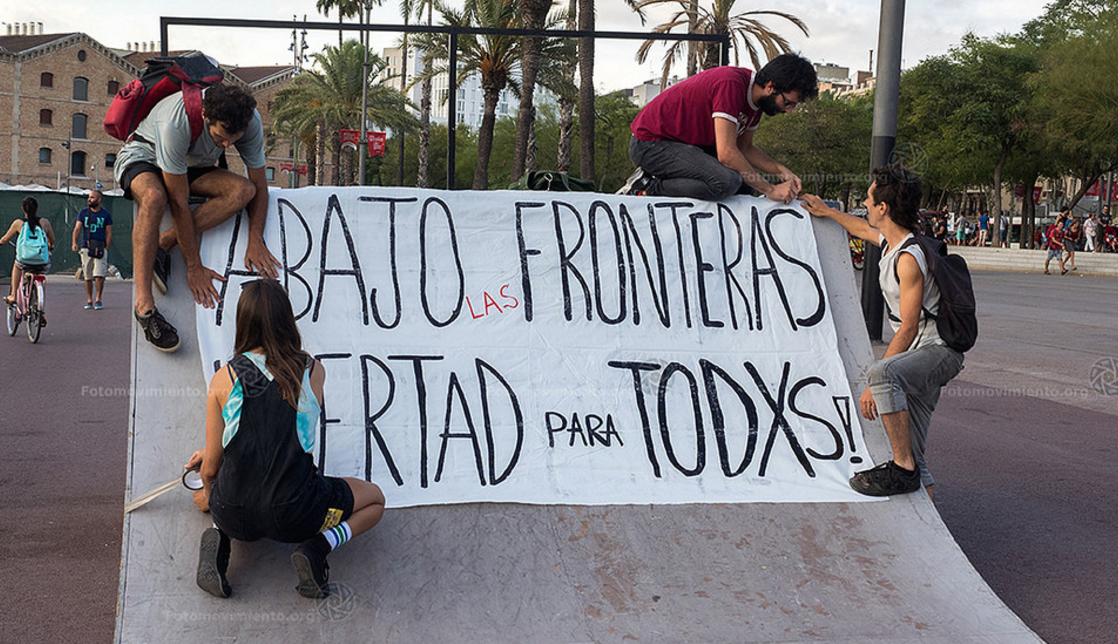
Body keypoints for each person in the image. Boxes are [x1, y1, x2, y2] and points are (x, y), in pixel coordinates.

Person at [185, 279, 385, 599]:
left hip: (235, 515)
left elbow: (210, 470)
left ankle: (219, 533)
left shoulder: (225, 378)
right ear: (287, 320)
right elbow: (278, 427)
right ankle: (317, 547)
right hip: (298, 516)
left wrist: (212, 497)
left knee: (223, 487)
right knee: (374, 499)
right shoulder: (312, 371)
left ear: (242, 322)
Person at [801, 163, 965, 500]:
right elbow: (862, 230)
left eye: (868, 198)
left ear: (883, 207)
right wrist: (828, 212)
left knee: (883, 375)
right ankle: (924, 513)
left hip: (938, 352)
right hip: (921, 356)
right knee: (917, 455)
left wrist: (874, 383)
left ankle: (901, 469)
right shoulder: (892, 243)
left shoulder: (908, 258)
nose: (864, 202)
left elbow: (906, 328)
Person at [114, 82, 280, 353]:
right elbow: (178, 202)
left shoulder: (249, 121)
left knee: (242, 191)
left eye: (234, 139)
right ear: (206, 116)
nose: (227, 144)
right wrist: (194, 267)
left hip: (190, 165)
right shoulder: (175, 122)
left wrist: (255, 238)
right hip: (145, 157)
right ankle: (144, 307)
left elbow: (259, 184)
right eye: (220, 137)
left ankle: (163, 243)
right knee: (155, 198)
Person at [621, 53, 819, 202]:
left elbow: (745, 148)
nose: (790, 110)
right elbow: (727, 153)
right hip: (650, 144)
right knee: (727, 181)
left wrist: (780, 170)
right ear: (771, 87)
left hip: (687, 147)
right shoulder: (731, 84)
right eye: (788, 103)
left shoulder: (757, 103)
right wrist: (770, 190)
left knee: (744, 185)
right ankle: (645, 187)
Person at [2, 197, 55, 325]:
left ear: (22, 209)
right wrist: (50, 245)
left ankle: (14, 295)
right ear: (37, 208)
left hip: (24, 259)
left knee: (17, 265)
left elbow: (5, 239)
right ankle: (40, 309)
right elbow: (52, 240)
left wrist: (1, 242)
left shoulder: (18, 224)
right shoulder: (45, 223)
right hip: (42, 261)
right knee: (40, 276)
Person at [71, 190, 113, 310]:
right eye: (89, 197)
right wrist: (74, 242)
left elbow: (109, 232)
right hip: (86, 247)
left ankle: (98, 298)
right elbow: (77, 228)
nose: (89, 199)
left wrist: (106, 247)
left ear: (99, 200)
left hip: (100, 247)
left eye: (92, 198)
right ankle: (89, 299)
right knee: (87, 275)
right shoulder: (83, 213)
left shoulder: (106, 215)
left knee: (99, 275)